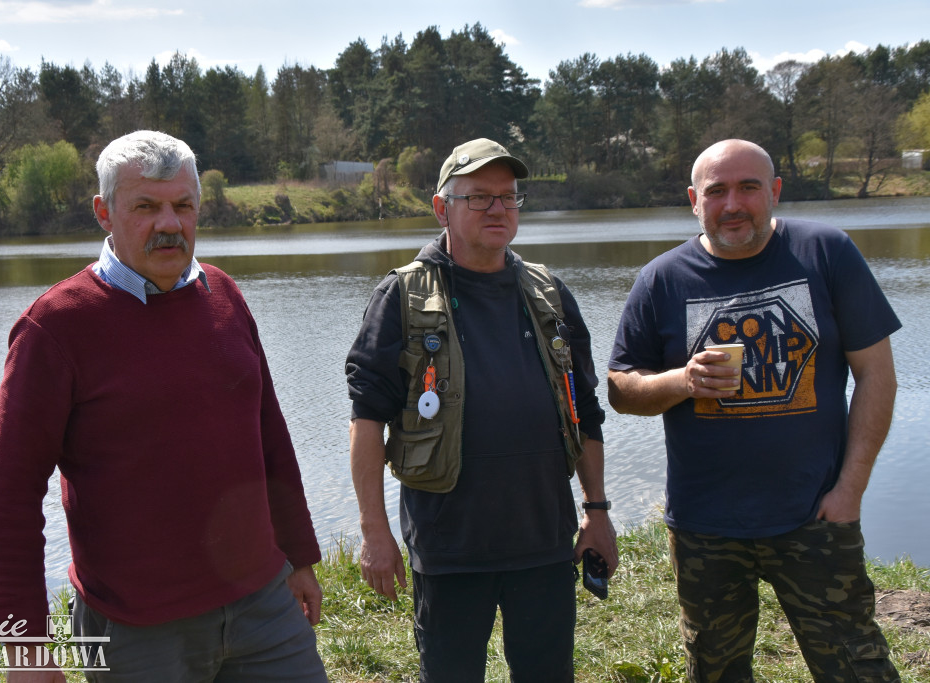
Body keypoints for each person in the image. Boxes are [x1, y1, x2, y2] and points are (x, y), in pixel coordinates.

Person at [0, 130, 328, 682]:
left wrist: (299, 555)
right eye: (146, 207)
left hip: (264, 607)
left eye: (182, 206)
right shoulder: (54, 327)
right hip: (131, 631)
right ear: (104, 211)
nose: (169, 224)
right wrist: (24, 648)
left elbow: (270, 437)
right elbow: (9, 499)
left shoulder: (225, 295)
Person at [608, 139, 901, 682]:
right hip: (705, 528)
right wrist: (682, 380)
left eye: (748, 187)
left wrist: (850, 489)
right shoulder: (662, 278)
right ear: (695, 200)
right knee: (715, 671)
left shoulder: (827, 253)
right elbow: (622, 390)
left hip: (813, 517)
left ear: (775, 192)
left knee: (856, 664)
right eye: (717, 191)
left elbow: (877, 376)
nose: (733, 204)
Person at [345, 138, 618, 681]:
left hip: (543, 540)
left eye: (508, 197)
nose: (498, 209)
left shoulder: (551, 294)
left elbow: (585, 411)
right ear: (442, 207)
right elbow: (366, 419)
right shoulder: (400, 296)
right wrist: (375, 531)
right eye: (479, 198)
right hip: (450, 548)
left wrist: (598, 510)